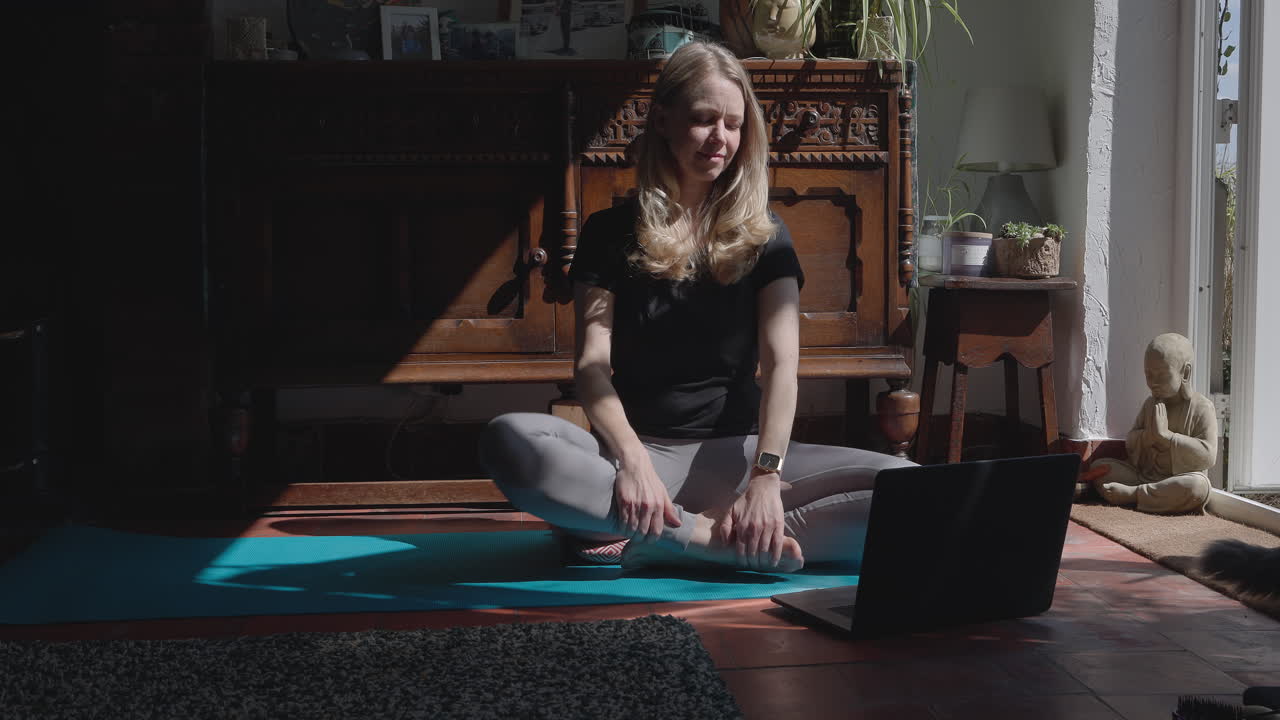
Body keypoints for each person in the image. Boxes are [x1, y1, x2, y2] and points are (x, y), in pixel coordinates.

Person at [478, 41, 914, 573]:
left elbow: (782, 368)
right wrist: (632, 462)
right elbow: (592, 367)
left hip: (741, 457)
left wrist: (766, 477)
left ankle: (667, 535)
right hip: (638, 458)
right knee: (510, 439)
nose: (720, 138)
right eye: (704, 119)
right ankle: (707, 540)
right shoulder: (609, 232)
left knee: (917, 489)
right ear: (663, 120)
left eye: (733, 124)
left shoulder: (767, 236)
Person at [1083, 333, 1218, 513]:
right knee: (1100, 468)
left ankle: (1133, 495)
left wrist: (1168, 438)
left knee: (1198, 488)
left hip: (1177, 481)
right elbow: (1131, 441)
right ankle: (1147, 495)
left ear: (1185, 373)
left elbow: (1208, 456)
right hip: (1142, 476)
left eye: (1162, 375)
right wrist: (1148, 437)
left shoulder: (1202, 408)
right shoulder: (1150, 404)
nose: (1153, 383)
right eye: (1148, 375)